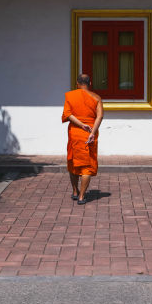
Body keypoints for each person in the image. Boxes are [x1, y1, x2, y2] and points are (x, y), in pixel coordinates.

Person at [61, 73, 103, 205]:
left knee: (73, 162)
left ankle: (75, 191)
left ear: (77, 84)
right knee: (87, 166)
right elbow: (100, 117)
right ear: (90, 84)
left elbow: (68, 114)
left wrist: (80, 124)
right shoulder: (96, 97)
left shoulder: (70, 95)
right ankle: (81, 196)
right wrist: (92, 132)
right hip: (90, 132)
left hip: (75, 132)